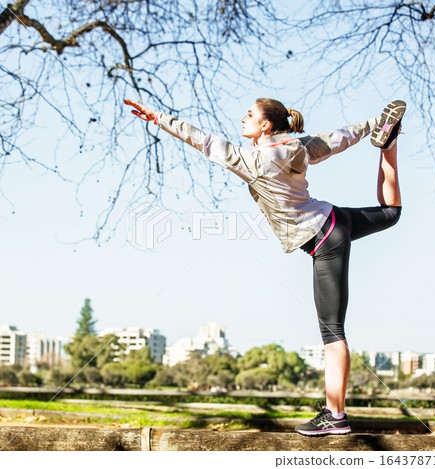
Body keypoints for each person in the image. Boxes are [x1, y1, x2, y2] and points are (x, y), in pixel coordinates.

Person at [124, 97, 406, 436]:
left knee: (332, 333)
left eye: (249, 115)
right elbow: (341, 137)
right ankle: (389, 145)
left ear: (265, 125)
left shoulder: (253, 160)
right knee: (391, 213)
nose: (243, 119)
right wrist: (376, 123)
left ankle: (336, 416)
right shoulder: (300, 145)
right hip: (335, 219)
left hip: (325, 239)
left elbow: (201, 138)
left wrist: (159, 118)